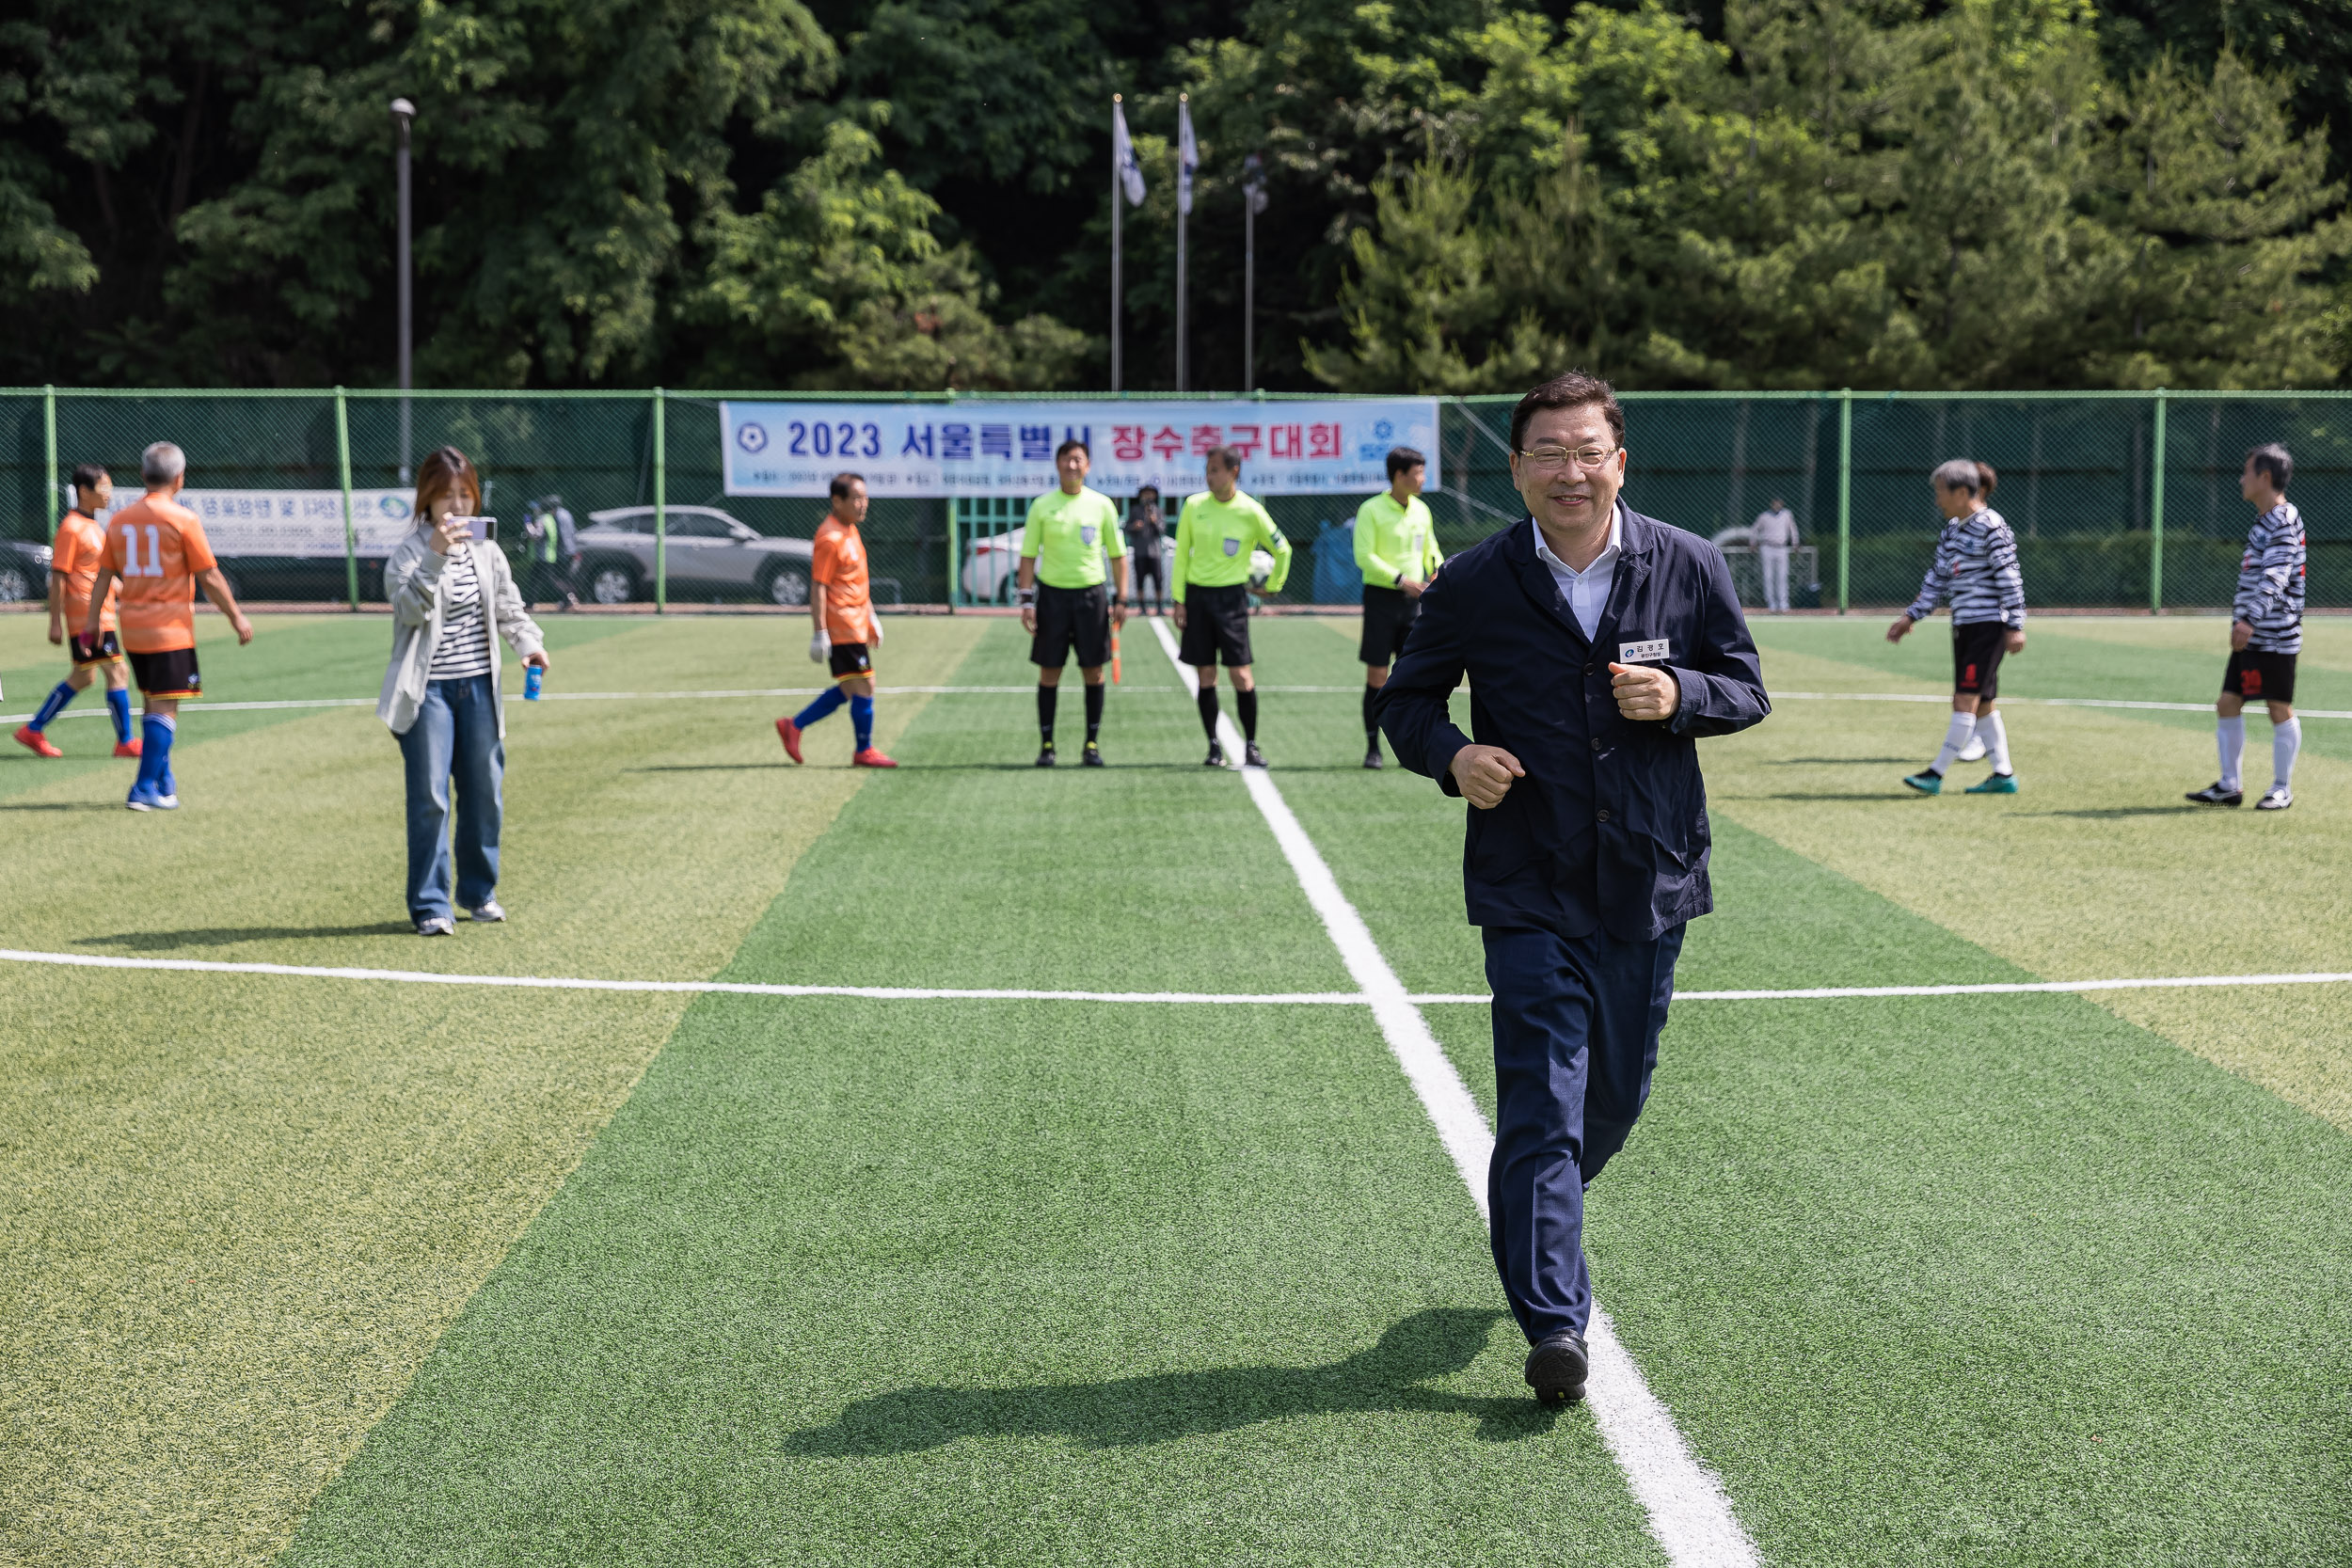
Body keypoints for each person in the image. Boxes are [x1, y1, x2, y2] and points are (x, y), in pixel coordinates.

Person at [1377, 371, 1768, 1407]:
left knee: (1614, 1096)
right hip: (1527, 879)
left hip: (1649, 872)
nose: (1569, 470)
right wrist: (1452, 755)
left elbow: (1746, 686)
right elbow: (1406, 704)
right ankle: (1555, 1321)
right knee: (1544, 1094)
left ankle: (1532, 1201)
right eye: (1547, 451)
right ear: (1516, 470)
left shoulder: (1685, 564)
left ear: (1618, 461)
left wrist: (1682, 693)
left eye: (1586, 449)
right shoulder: (1471, 582)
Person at [378, 446, 549, 936]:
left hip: (479, 687)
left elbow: (510, 609)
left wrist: (530, 645)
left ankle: (478, 893)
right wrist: (435, 556)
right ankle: (431, 904)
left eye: (465, 495)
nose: (456, 507)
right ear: (426, 501)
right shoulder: (409, 554)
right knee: (431, 797)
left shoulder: (487, 550)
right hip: (426, 692)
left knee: (484, 793)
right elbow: (410, 610)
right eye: (445, 496)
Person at [82, 441, 253, 811]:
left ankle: (164, 782)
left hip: (133, 628)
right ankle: (143, 787)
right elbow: (209, 576)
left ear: (144, 476)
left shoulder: (121, 519)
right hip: (169, 628)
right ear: (180, 478)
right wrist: (235, 616)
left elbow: (103, 577)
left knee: (152, 702)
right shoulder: (183, 520)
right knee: (166, 708)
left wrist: (93, 621)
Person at [1888, 460, 2026, 795]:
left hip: (1988, 625)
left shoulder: (1992, 526)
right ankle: (2003, 775)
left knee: (1964, 698)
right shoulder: (1953, 528)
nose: (1937, 500)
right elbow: (1937, 577)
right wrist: (1911, 616)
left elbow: (2009, 577)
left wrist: (2016, 624)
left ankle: (1935, 774)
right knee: (1982, 703)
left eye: (1940, 492)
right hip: (1964, 624)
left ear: (1962, 492)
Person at [2188, 443, 2306, 811]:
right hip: (2255, 635)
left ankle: (2281, 788)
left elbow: (2276, 577)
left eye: (2247, 472)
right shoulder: (2266, 519)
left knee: (2278, 708)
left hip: (2273, 636)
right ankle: (2229, 786)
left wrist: (2249, 619)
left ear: (2265, 477)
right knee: (2228, 703)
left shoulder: (2283, 520)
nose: (2242, 479)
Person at [1172, 447, 1292, 768]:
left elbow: (1283, 550)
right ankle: (1213, 746)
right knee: (1206, 675)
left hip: (1232, 602)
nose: (1209, 476)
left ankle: (1251, 745)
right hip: (1197, 600)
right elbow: (1182, 554)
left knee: (1241, 675)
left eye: (1215, 470)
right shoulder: (1194, 505)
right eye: (1207, 470)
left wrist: (1273, 587)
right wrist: (1179, 599)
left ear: (1233, 472)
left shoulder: (1250, 511)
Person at [1018, 439, 1129, 767]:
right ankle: (1047, 745)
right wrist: (1027, 601)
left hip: (1092, 597)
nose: (1072, 466)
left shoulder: (1102, 505)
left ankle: (1091, 744)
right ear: (1057, 465)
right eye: (1066, 460)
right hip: (1052, 598)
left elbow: (1118, 556)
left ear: (1088, 466)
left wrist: (1122, 597)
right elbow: (1027, 557)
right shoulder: (1042, 506)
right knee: (1049, 671)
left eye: (1078, 460)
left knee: (1093, 672)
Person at [16, 464, 138, 760]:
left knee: (84, 677)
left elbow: (98, 573)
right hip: (89, 617)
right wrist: (55, 622)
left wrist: (130, 593)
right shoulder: (71, 528)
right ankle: (125, 742)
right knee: (118, 671)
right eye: (104, 488)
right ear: (84, 492)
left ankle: (33, 730)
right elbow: (59, 577)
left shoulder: (93, 527)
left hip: (100, 613)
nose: (109, 494)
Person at [778, 473, 896, 768]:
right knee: (866, 686)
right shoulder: (829, 538)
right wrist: (820, 632)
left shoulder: (850, 529)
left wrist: (871, 616)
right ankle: (863, 750)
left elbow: (856, 581)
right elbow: (819, 585)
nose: (862, 504)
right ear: (837, 501)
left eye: (865, 497)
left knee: (849, 688)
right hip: (842, 625)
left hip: (856, 622)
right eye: (856, 498)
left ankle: (794, 726)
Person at [1355, 446, 1442, 768]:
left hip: (1414, 604)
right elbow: (1365, 556)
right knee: (1377, 676)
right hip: (1381, 600)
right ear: (1399, 476)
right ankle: (1372, 747)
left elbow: (1431, 548)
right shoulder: (1371, 510)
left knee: (1413, 676)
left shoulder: (1421, 510)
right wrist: (1402, 580)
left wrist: (1436, 572)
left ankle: (1413, 748)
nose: (1422, 479)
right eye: (1417, 473)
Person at [521, 497, 580, 612]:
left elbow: (537, 535)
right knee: (535, 580)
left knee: (550, 580)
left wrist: (527, 525)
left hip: (543, 556)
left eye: (536, 508)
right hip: (549, 554)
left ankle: (567, 598)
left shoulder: (542, 519)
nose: (535, 510)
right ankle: (529, 603)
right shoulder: (551, 518)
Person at [1125, 485, 1167, 615]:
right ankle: (1142, 607)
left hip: (1155, 552)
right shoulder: (1135, 510)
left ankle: (1159, 607)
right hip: (1140, 551)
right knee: (1140, 580)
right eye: (1145, 494)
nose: (1148, 497)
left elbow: (1162, 530)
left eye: (1150, 494)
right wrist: (1134, 527)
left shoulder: (1158, 511)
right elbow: (1126, 529)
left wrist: (1154, 521)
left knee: (1158, 580)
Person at [1752, 497, 1798, 613]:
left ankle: (1783, 604)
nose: (1777, 505)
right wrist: (1753, 543)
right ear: (1771, 504)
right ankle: (1771, 603)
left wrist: (1795, 542)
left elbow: (1792, 529)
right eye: (1775, 503)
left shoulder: (1787, 515)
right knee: (1768, 576)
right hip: (1767, 547)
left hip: (1781, 547)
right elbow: (1755, 529)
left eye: (1779, 503)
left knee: (1782, 576)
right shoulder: (1764, 516)